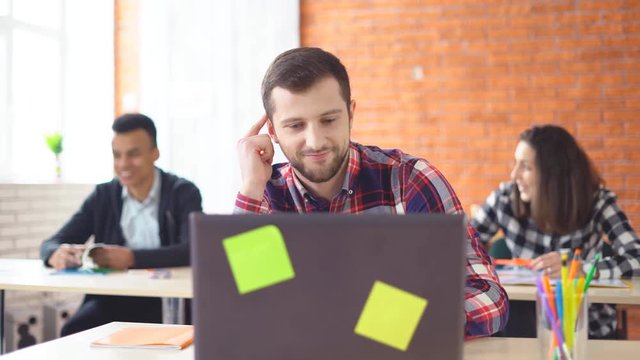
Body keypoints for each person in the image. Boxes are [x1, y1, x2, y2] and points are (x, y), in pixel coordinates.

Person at [235, 47, 508, 338]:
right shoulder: (264, 193)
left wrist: (389, 323)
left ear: (350, 114)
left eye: (329, 120)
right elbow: (245, 304)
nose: (315, 141)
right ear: (273, 132)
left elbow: (488, 295)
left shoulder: (409, 180)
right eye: (295, 125)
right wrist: (250, 189)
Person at [40, 113, 202, 336]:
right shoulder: (103, 195)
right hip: (112, 301)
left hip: (167, 303)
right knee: (73, 332)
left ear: (155, 153)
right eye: (117, 155)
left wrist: (131, 258)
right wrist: (54, 254)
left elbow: (191, 249)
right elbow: (51, 243)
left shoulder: (182, 192)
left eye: (133, 154)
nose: (123, 164)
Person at [471, 124, 640, 338]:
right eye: (515, 164)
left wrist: (582, 269)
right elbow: (461, 248)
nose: (514, 175)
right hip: (523, 328)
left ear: (553, 175)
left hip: (586, 328)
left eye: (526, 167)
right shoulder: (504, 199)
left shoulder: (598, 201)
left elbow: (637, 256)